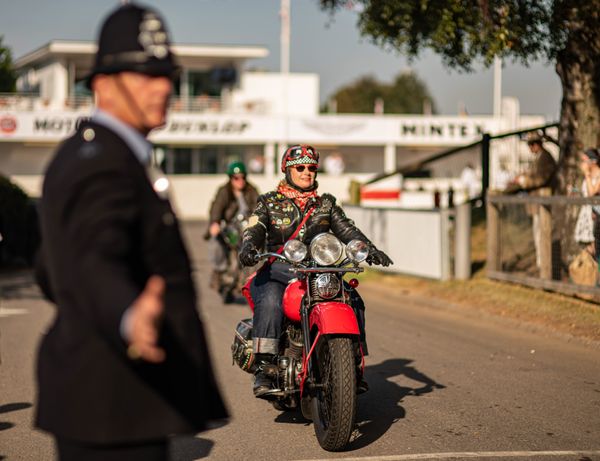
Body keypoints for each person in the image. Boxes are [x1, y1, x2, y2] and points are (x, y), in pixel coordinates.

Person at [33, 4, 227, 460]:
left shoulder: (109, 153)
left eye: (166, 75)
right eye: (143, 75)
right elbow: (95, 258)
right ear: (102, 84)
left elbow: (56, 262)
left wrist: (74, 288)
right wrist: (127, 313)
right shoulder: (102, 162)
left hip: (117, 399)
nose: (162, 87)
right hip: (112, 404)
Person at [238, 144, 392, 398]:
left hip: (319, 268)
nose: (307, 172)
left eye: (311, 168)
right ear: (287, 170)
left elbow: (347, 230)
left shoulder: (326, 204)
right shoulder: (269, 202)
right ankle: (265, 367)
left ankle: (352, 365)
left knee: (352, 299)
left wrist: (369, 249)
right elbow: (254, 227)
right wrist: (248, 246)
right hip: (280, 267)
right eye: (300, 168)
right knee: (271, 301)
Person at [505, 131, 558, 268]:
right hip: (536, 203)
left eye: (531, 144)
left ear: (537, 144)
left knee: (542, 233)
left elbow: (541, 179)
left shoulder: (545, 157)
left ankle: (544, 263)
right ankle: (541, 261)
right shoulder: (538, 158)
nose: (530, 147)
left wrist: (524, 181)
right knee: (537, 232)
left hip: (543, 203)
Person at [205, 161, 259, 291]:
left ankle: (250, 278)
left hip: (247, 225)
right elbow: (216, 207)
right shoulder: (224, 191)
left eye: (243, 177)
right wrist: (215, 223)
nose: (240, 181)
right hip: (229, 225)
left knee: (261, 246)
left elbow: (259, 206)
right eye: (236, 178)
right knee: (216, 243)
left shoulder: (251, 190)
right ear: (230, 178)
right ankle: (219, 271)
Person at [574, 148, 600, 257]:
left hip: (596, 219)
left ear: (592, 161)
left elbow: (592, 193)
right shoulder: (587, 176)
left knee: (595, 250)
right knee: (587, 251)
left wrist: (586, 173)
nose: (582, 164)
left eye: (584, 160)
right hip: (586, 216)